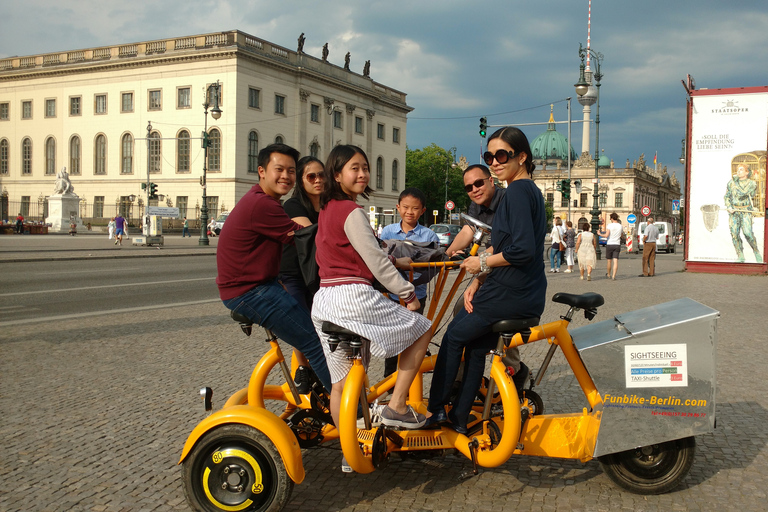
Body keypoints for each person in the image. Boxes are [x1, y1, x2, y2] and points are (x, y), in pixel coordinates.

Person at [311, 145, 433, 450]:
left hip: (325, 299)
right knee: (422, 328)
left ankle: (348, 450)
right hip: (353, 296)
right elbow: (374, 262)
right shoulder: (351, 211)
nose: (363, 173)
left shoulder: (327, 209)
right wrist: (408, 295)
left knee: (339, 384)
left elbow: (363, 252)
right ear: (337, 174)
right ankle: (398, 406)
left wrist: (396, 262)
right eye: (354, 168)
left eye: (365, 167)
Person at [426, 127, 547, 434]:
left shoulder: (518, 192)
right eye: (489, 156)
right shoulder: (528, 190)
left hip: (510, 292)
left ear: (521, 156)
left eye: (502, 155)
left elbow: (521, 251)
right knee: (477, 349)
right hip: (524, 291)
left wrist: (480, 262)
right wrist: (478, 279)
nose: (494, 161)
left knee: (453, 338)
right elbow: (506, 245)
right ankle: (459, 418)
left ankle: (437, 409)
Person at [216, 143, 332, 395]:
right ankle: (350, 412)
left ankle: (322, 397)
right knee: (314, 342)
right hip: (249, 291)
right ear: (261, 171)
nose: (286, 176)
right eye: (279, 169)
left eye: (291, 171)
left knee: (314, 335)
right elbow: (306, 238)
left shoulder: (263, 200)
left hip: (258, 285)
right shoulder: (263, 205)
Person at [379, 187, 440, 378]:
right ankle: (389, 379)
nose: (409, 212)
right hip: (391, 295)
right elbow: (378, 259)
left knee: (412, 338)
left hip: (417, 295)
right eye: (405, 207)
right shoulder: (387, 232)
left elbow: (435, 263)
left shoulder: (429, 235)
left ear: (422, 211)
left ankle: (409, 381)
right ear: (398, 207)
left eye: (415, 208)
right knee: (391, 337)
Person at [277, 156, 326, 392]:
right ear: (301, 180)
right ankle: (303, 368)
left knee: (323, 323)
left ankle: (321, 369)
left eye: (321, 175)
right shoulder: (293, 205)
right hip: (293, 273)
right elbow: (312, 234)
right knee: (302, 322)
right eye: (311, 176)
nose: (318, 180)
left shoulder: (327, 205)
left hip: (317, 275)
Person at [445, 164, 506, 256]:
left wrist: (480, 259)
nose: (474, 190)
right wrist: (446, 256)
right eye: (469, 188)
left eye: (479, 183)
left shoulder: (508, 199)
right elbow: (467, 232)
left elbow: (509, 241)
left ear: (491, 181)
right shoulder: (476, 204)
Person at [724, 163, 763, 263]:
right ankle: (740, 255)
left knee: (748, 233)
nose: (738, 171)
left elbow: (744, 193)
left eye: (741, 170)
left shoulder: (751, 183)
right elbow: (727, 196)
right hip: (734, 212)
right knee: (734, 234)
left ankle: (756, 251)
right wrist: (729, 206)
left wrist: (736, 182)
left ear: (747, 172)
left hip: (745, 211)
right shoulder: (731, 183)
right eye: (738, 169)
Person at [600, 212, 623, 280]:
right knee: (615, 261)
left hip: (610, 244)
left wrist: (600, 234)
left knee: (609, 261)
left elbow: (606, 235)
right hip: (617, 244)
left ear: (612, 218)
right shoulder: (620, 226)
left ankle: (609, 274)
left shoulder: (609, 225)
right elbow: (621, 235)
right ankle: (614, 276)